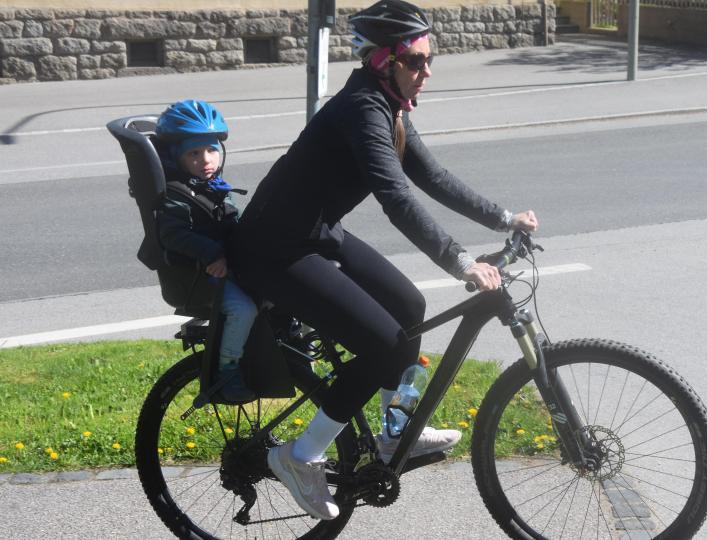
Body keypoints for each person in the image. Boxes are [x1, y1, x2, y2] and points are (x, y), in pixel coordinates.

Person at [229, 0, 538, 520]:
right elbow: (395, 196)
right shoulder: (362, 110)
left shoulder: (388, 104)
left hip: (316, 235)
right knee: (380, 346)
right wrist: (460, 261)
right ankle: (298, 456)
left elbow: (432, 177)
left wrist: (504, 218)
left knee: (408, 304)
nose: (426, 71)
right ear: (382, 61)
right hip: (273, 248)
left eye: (427, 59)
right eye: (415, 61)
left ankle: (396, 435)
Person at [156, 99, 259, 403]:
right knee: (244, 309)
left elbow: (231, 222)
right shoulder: (177, 196)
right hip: (200, 277)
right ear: (178, 157)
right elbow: (173, 235)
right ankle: (227, 370)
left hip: (224, 267)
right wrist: (212, 253)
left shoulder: (212, 187)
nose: (206, 159)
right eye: (194, 153)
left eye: (212, 150)